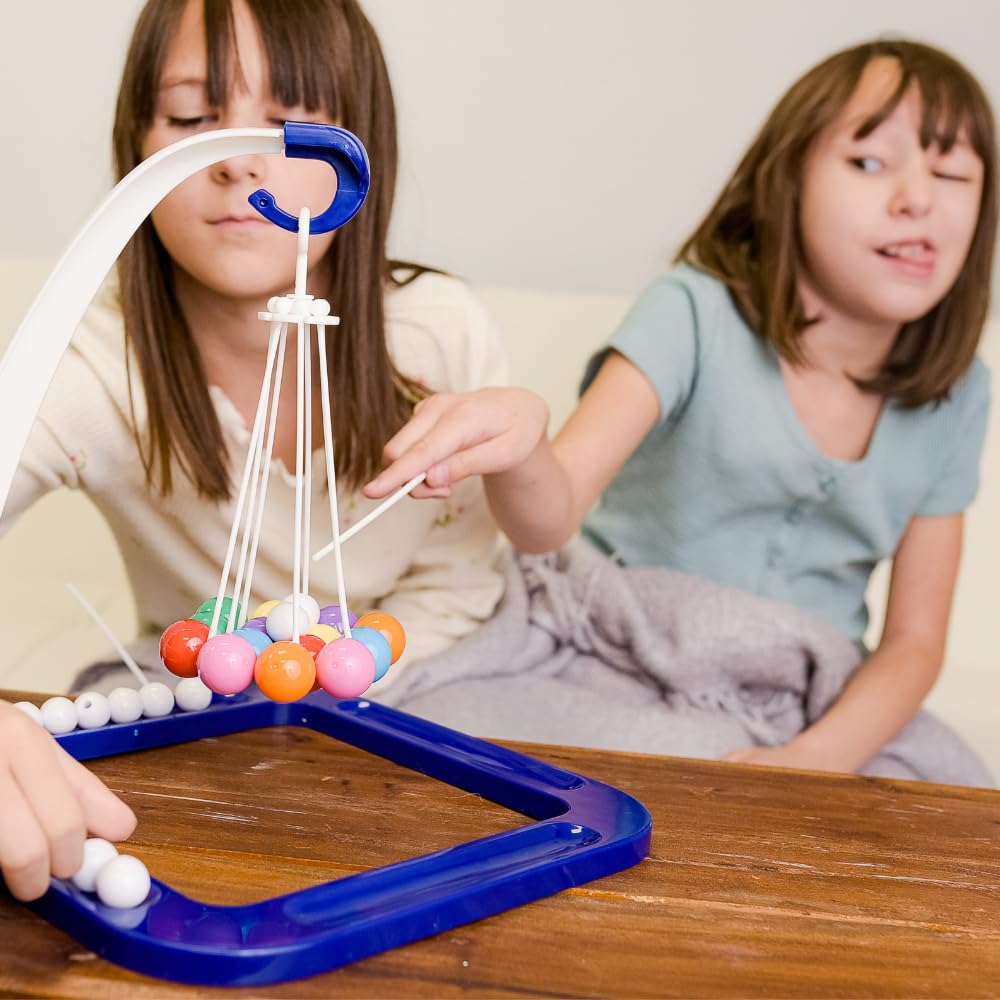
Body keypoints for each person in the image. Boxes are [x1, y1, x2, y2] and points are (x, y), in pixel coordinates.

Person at [368, 40, 997, 776]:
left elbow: (914, 643)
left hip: (806, 699)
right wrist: (524, 442)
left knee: (953, 813)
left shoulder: (960, 393)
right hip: (617, 648)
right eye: (869, 162)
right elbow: (550, 516)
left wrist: (816, 760)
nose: (917, 197)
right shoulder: (694, 312)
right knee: (439, 744)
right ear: (783, 183)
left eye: (953, 172)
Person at [0, 0, 506, 901]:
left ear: (361, 149)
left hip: (458, 654)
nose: (236, 159)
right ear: (136, 150)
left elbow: (509, 550)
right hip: (222, 683)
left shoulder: (436, 330)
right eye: (193, 119)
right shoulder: (91, 368)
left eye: (287, 120)